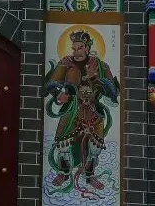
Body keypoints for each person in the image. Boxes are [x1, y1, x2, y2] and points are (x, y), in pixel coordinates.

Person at [43, 30, 119, 191]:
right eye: (74, 48)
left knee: (95, 148)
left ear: (87, 48)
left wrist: (95, 78)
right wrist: (59, 95)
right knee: (63, 143)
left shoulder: (101, 65)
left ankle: (90, 175)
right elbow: (51, 84)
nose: (76, 51)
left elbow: (113, 91)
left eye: (80, 48)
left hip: (94, 111)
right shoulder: (66, 62)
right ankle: (64, 173)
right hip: (72, 109)